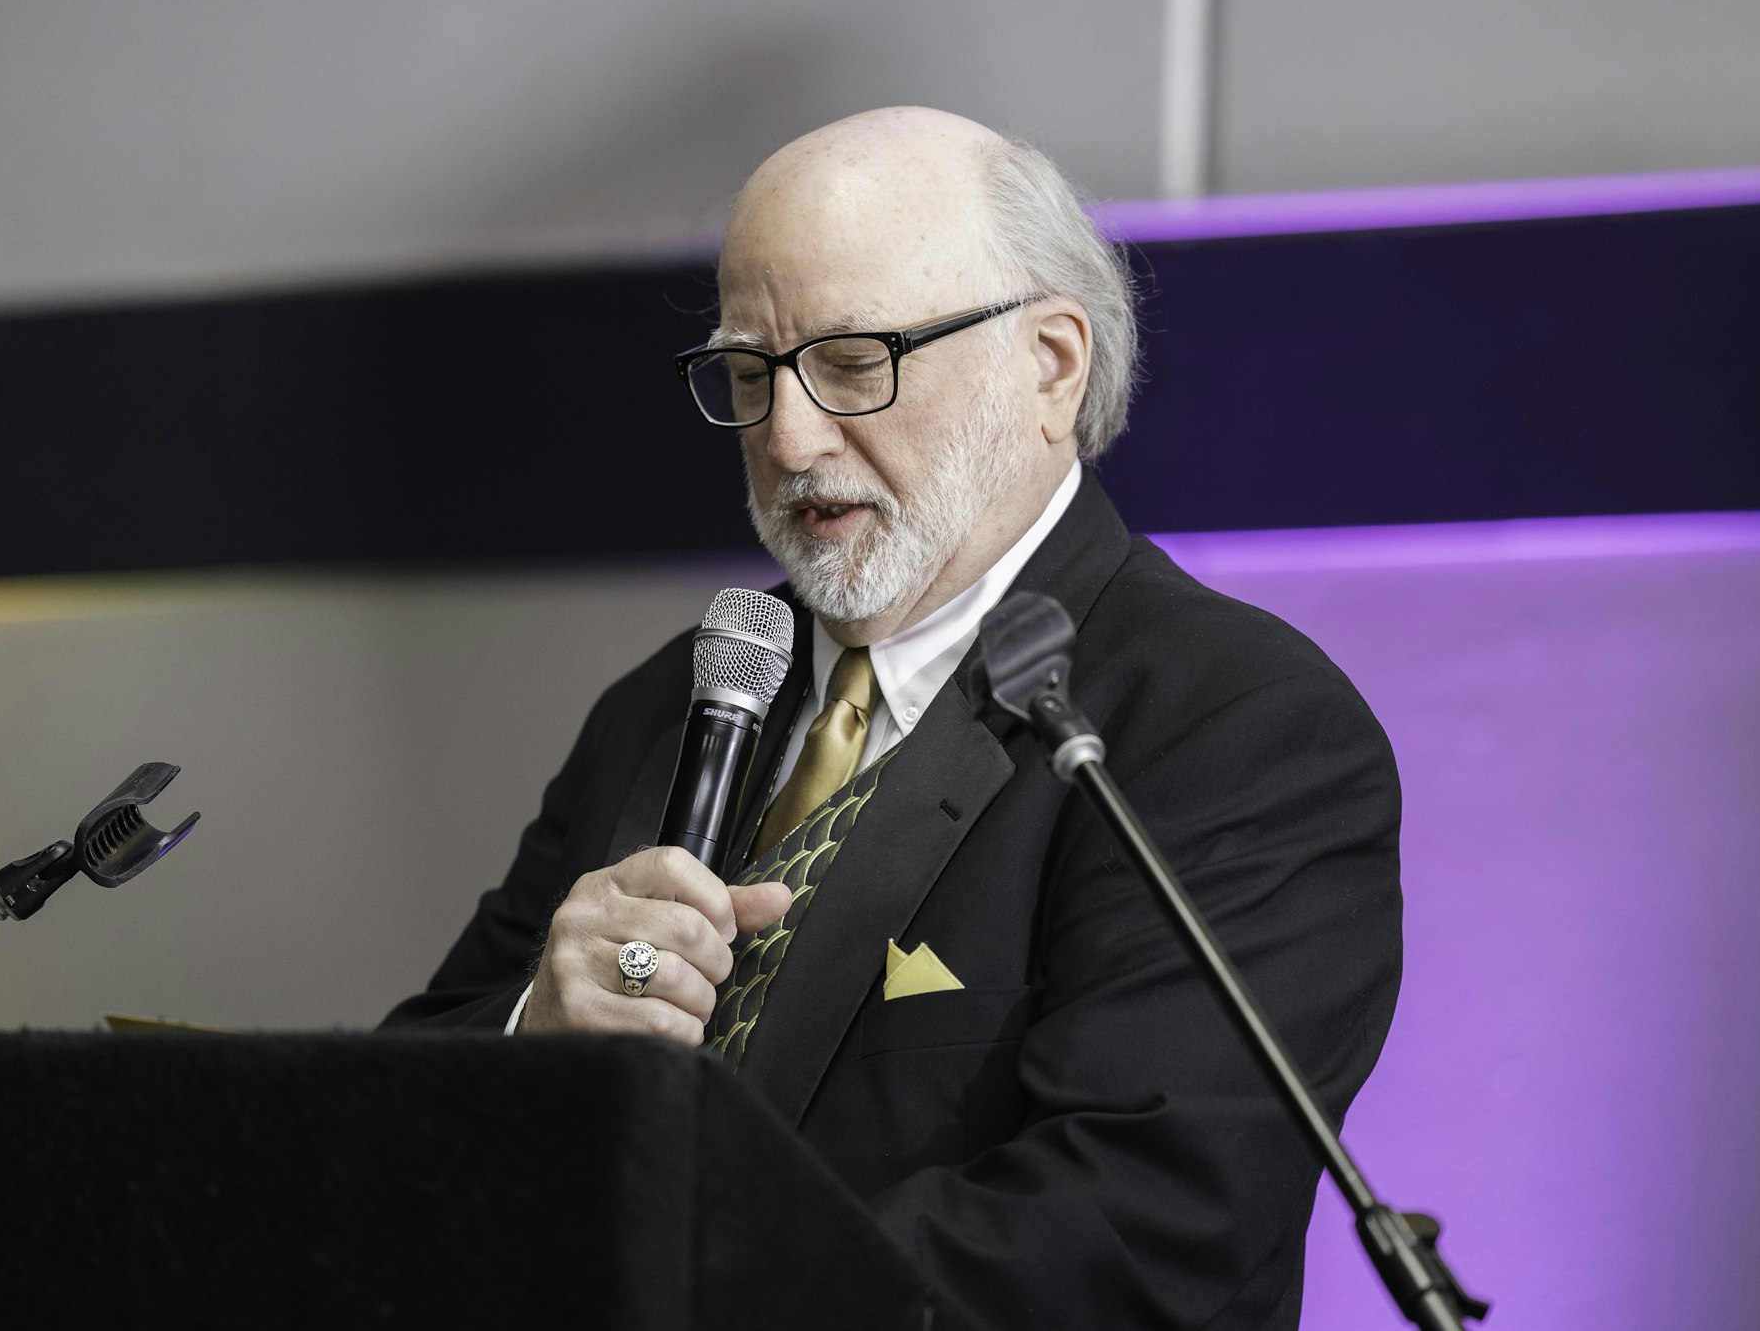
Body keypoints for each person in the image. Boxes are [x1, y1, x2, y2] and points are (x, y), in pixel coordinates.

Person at [383, 106, 1402, 1331]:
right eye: (750, 373)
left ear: (1049, 364)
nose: (788, 437)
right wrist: (532, 1028)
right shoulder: (681, 693)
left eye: (855, 361)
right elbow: (401, 1100)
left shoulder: (1232, 720)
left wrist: (670, 1295)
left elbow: (1138, 1221)